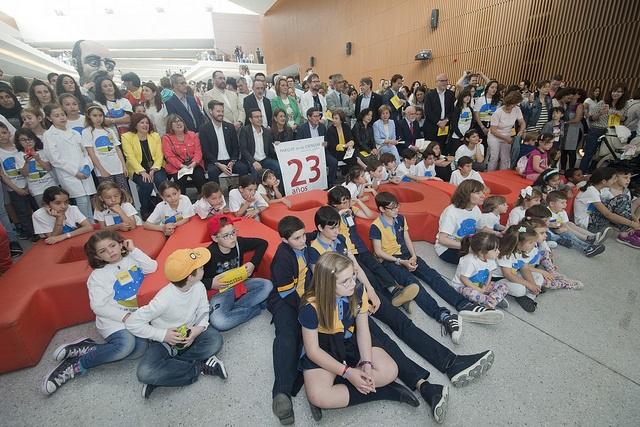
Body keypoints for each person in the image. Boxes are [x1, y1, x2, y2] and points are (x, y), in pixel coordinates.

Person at [298, 251, 419, 411]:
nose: (353, 284)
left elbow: (363, 330)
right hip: (325, 347)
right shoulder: (310, 306)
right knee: (319, 397)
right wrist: (348, 373)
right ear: (327, 284)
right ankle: (386, 392)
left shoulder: (358, 290)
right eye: (345, 281)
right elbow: (313, 351)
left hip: (349, 339)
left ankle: (347, 384)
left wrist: (366, 363)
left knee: (391, 370)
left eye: (353, 277)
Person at [40, 230, 156, 395]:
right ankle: (78, 364)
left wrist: (133, 250)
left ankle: (88, 347)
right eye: (103, 251)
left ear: (121, 244)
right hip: (113, 320)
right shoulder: (97, 276)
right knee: (125, 346)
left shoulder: (132, 258)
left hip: (135, 318)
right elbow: (99, 307)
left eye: (113, 245)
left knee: (138, 351)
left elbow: (152, 267)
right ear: (97, 257)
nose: (110, 251)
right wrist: (125, 316)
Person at [126, 247, 227, 399]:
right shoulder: (163, 300)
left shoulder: (198, 286)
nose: (203, 268)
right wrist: (163, 335)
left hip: (190, 332)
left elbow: (204, 309)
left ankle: (165, 374)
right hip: (165, 341)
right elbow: (132, 323)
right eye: (200, 267)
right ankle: (199, 367)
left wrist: (197, 330)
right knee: (145, 373)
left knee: (215, 340)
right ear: (189, 277)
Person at [203, 214, 272, 331]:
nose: (232, 238)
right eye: (226, 235)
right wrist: (210, 283)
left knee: (268, 285)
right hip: (220, 292)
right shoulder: (208, 254)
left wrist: (253, 263)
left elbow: (263, 243)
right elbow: (195, 280)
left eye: (233, 232)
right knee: (219, 321)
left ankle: (235, 308)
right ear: (215, 238)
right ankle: (254, 309)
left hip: (241, 283)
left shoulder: (238, 243)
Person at [42, 104, 96, 219]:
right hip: (69, 174)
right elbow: (55, 159)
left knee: (88, 199)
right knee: (81, 200)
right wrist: (75, 172)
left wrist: (87, 167)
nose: (61, 118)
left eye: (62, 114)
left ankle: (91, 224)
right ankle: (87, 225)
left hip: (84, 171)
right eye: (56, 116)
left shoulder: (75, 133)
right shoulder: (49, 135)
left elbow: (84, 152)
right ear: (49, 118)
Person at [575, 167, 640, 248]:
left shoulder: (603, 190)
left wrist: (636, 221)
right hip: (587, 224)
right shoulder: (591, 191)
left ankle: (629, 231)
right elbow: (607, 214)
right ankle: (624, 235)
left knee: (623, 198)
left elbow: (622, 205)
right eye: (613, 178)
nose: (615, 180)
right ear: (604, 181)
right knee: (622, 198)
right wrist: (632, 223)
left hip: (594, 219)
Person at [121, 113, 167, 219]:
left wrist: (153, 169)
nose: (145, 125)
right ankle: (145, 209)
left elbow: (160, 155)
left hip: (155, 166)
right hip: (137, 169)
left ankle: (165, 206)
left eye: (147, 122)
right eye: (142, 122)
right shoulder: (126, 137)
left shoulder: (154, 135)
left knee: (161, 181)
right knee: (146, 184)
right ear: (135, 124)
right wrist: (142, 171)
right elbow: (130, 157)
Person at [492, 224, 544, 312]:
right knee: (520, 289)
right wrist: (528, 284)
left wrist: (533, 284)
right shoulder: (506, 254)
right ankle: (523, 294)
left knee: (539, 276)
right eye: (531, 242)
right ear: (518, 243)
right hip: (498, 279)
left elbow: (525, 268)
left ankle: (529, 297)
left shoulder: (523, 251)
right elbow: (508, 275)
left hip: (513, 275)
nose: (535, 244)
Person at [434, 180, 488, 264]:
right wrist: (468, 248)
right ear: (466, 194)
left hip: (467, 244)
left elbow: (480, 228)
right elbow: (443, 240)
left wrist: (496, 234)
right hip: (447, 249)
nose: (483, 196)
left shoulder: (476, 209)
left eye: (482, 192)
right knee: (480, 261)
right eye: (478, 193)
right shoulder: (451, 211)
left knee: (491, 253)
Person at [580, 83, 629, 172]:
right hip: (596, 130)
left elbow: (624, 118)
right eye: (614, 91)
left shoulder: (625, 105)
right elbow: (591, 118)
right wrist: (601, 113)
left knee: (602, 155)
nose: (615, 94)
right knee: (589, 153)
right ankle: (581, 172)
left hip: (611, 132)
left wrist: (613, 112)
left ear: (623, 94)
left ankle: (592, 173)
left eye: (619, 92)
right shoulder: (602, 102)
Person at [452, 233, 508, 309]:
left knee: (503, 286)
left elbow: (490, 273)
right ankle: (491, 301)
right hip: (463, 286)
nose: (498, 251)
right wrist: (479, 290)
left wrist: (486, 285)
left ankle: (490, 300)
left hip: (481, 286)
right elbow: (463, 279)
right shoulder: (469, 261)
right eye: (495, 250)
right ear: (482, 252)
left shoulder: (490, 259)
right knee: (470, 292)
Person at [0, 123, 36, 240]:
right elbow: (2, 175)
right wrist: (17, 189)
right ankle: (31, 234)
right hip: (14, 188)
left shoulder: (19, 147)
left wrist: (27, 186)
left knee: (36, 208)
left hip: (31, 184)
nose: (2, 136)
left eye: (4, 133)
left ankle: (42, 229)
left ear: (9, 133)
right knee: (23, 212)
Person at [198, 101, 247, 184]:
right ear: (210, 111)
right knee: (212, 172)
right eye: (218, 111)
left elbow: (236, 147)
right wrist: (219, 165)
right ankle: (216, 195)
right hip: (214, 162)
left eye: (222, 111)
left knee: (243, 168)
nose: (221, 114)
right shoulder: (204, 129)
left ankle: (243, 192)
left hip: (230, 161)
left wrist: (232, 162)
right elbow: (205, 151)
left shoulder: (230, 127)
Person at [82, 104, 128, 191]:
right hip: (104, 170)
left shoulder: (109, 130)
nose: (98, 118)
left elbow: (117, 149)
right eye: (95, 116)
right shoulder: (87, 132)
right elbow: (91, 153)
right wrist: (101, 169)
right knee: (109, 193)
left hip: (117, 168)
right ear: (89, 117)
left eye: (100, 115)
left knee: (124, 192)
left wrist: (123, 166)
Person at [546, 190, 606, 256]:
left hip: (561, 229)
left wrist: (563, 226)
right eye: (562, 203)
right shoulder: (546, 211)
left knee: (570, 224)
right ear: (552, 204)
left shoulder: (562, 212)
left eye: (566, 202)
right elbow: (543, 224)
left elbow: (566, 223)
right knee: (569, 234)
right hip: (551, 233)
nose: (565, 205)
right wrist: (554, 226)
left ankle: (593, 236)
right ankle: (587, 247)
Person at [162, 114, 206, 195]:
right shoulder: (166, 138)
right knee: (179, 183)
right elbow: (169, 156)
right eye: (175, 122)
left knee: (200, 178)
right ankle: (182, 203)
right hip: (177, 167)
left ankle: (203, 199)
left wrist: (194, 163)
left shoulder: (192, 135)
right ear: (170, 126)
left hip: (194, 164)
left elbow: (198, 151)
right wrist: (181, 166)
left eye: (180, 121)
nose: (178, 123)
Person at [14, 128, 57, 207]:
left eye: (30, 139)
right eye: (23, 140)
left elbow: (49, 168)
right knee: (45, 210)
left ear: (34, 139)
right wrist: (27, 162)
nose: (27, 142)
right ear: (18, 142)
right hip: (37, 190)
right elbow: (24, 174)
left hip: (51, 185)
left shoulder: (43, 151)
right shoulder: (18, 156)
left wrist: (39, 159)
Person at [487, 91, 526, 170]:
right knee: (494, 157)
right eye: (514, 104)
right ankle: (490, 174)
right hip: (495, 136)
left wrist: (521, 131)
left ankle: (502, 176)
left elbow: (522, 122)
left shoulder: (517, 109)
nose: (514, 106)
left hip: (507, 135)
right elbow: (493, 131)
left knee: (505, 159)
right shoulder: (498, 112)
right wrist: (506, 138)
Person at [239, 108, 280, 179]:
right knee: (255, 172)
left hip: (265, 159)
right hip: (251, 160)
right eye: (256, 117)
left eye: (261, 116)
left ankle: (278, 189)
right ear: (250, 119)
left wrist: (276, 148)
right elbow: (243, 149)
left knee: (278, 166)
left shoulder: (267, 132)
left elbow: (270, 150)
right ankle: (255, 189)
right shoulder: (245, 130)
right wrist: (253, 162)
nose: (260, 119)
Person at [423, 74, 455, 146]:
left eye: (446, 81)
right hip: (432, 126)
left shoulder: (450, 94)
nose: (444, 83)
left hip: (444, 126)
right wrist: (438, 122)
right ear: (436, 82)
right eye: (442, 81)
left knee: (442, 147)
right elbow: (428, 111)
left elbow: (452, 110)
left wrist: (446, 120)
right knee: (430, 148)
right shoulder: (429, 95)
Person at [449, 90, 474, 155]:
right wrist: (461, 136)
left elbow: (471, 123)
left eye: (469, 96)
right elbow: (454, 124)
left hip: (467, 137)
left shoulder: (470, 109)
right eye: (465, 96)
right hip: (457, 137)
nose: (467, 98)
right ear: (461, 97)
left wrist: (468, 136)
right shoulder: (457, 109)